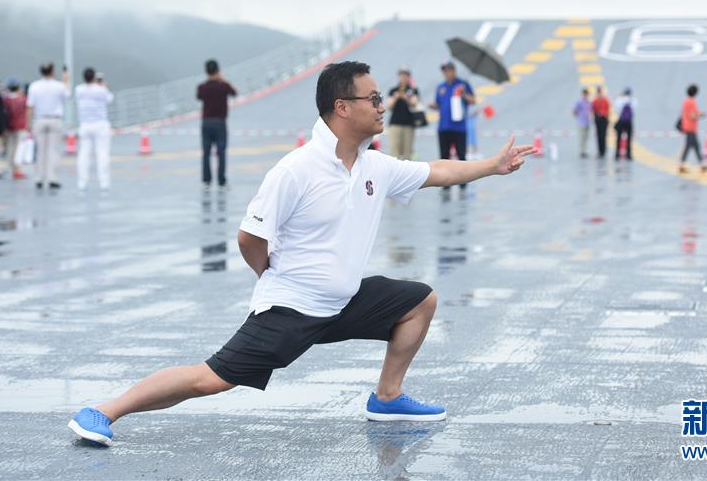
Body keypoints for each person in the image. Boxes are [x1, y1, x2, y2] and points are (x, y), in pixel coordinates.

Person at [67, 60, 534, 447]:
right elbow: (251, 237)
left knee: (419, 300)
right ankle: (103, 411)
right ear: (341, 107)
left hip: (344, 303)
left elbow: (435, 170)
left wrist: (492, 166)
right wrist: (272, 276)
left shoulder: (375, 165)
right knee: (209, 379)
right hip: (291, 309)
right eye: (372, 98)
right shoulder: (297, 169)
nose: (381, 104)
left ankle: (387, 398)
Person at [428, 61, 475, 189]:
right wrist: (431, 105)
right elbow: (438, 104)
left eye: (449, 70)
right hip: (443, 127)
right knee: (444, 156)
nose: (447, 73)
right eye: (445, 71)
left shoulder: (463, 84)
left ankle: (463, 182)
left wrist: (464, 94)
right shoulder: (441, 87)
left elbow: (473, 100)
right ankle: (445, 182)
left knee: (461, 155)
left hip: (459, 127)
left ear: (454, 71)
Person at [27, 62, 70, 189]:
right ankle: (53, 178)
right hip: (55, 120)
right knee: (53, 151)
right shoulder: (59, 86)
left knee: (40, 151)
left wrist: (28, 123)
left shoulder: (34, 86)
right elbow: (67, 96)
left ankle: (39, 178)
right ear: (52, 72)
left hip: (39, 119)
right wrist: (66, 81)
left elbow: (30, 106)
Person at [196, 59, 237, 187]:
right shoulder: (223, 86)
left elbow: (199, 97)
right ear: (218, 70)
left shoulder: (202, 87)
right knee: (221, 152)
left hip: (206, 123)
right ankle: (221, 180)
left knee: (206, 152)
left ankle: (207, 180)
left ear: (206, 71)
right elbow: (234, 93)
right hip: (220, 123)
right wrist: (223, 79)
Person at [75, 67, 114, 192]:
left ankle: (82, 182)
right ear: (94, 78)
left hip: (85, 125)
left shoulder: (78, 89)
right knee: (102, 154)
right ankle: (104, 182)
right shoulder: (101, 90)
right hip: (100, 124)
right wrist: (103, 86)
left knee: (83, 154)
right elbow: (109, 99)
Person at [385, 67, 420, 160]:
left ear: (409, 77)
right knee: (393, 151)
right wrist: (396, 97)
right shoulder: (393, 90)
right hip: (395, 123)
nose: (403, 78)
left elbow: (415, 103)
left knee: (407, 152)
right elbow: (389, 106)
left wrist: (406, 98)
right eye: (401, 75)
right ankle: (393, 172)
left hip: (409, 124)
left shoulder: (413, 90)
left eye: (405, 75)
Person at [679, 84, 707, 173]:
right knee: (690, 146)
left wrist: (698, 113)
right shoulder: (691, 102)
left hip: (687, 126)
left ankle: (702, 165)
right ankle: (682, 165)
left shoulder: (686, 101)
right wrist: (701, 115)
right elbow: (692, 115)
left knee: (694, 146)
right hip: (690, 128)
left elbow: (689, 113)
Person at [3, 78, 29, 180]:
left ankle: (12, 168)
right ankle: (18, 170)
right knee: (20, 149)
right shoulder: (23, 99)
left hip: (9, 127)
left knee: (11, 148)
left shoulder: (5, 100)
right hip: (21, 127)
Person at [613, 88, 635, 161]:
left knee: (618, 138)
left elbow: (616, 108)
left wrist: (619, 96)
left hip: (621, 121)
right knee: (629, 138)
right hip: (629, 122)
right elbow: (635, 107)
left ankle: (617, 154)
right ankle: (629, 154)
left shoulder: (620, 100)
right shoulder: (632, 100)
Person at [572, 88, 592, 158]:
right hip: (581, 122)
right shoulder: (579, 102)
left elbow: (590, 111)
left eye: (587, 94)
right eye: (585, 94)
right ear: (582, 94)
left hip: (587, 122)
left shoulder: (589, 102)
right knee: (581, 137)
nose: (586, 95)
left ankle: (584, 151)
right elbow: (574, 111)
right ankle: (581, 151)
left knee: (586, 137)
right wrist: (579, 117)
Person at [592, 87, 610, 158]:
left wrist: (602, 113)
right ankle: (600, 151)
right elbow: (592, 108)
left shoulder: (605, 100)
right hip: (598, 119)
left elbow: (607, 109)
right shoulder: (595, 100)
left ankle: (603, 150)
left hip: (604, 119)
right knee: (598, 136)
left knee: (603, 135)